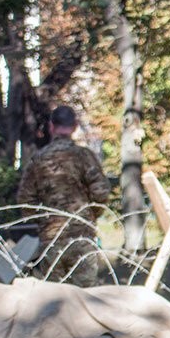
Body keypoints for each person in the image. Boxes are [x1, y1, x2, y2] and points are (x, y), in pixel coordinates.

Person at [16, 105, 111, 288]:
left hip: (51, 240)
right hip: (81, 237)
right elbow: (101, 192)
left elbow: (25, 200)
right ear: (75, 126)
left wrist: (45, 222)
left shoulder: (38, 159)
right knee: (87, 297)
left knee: (54, 297)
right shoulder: (84, 156)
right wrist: (90, 216)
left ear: (51, 126)